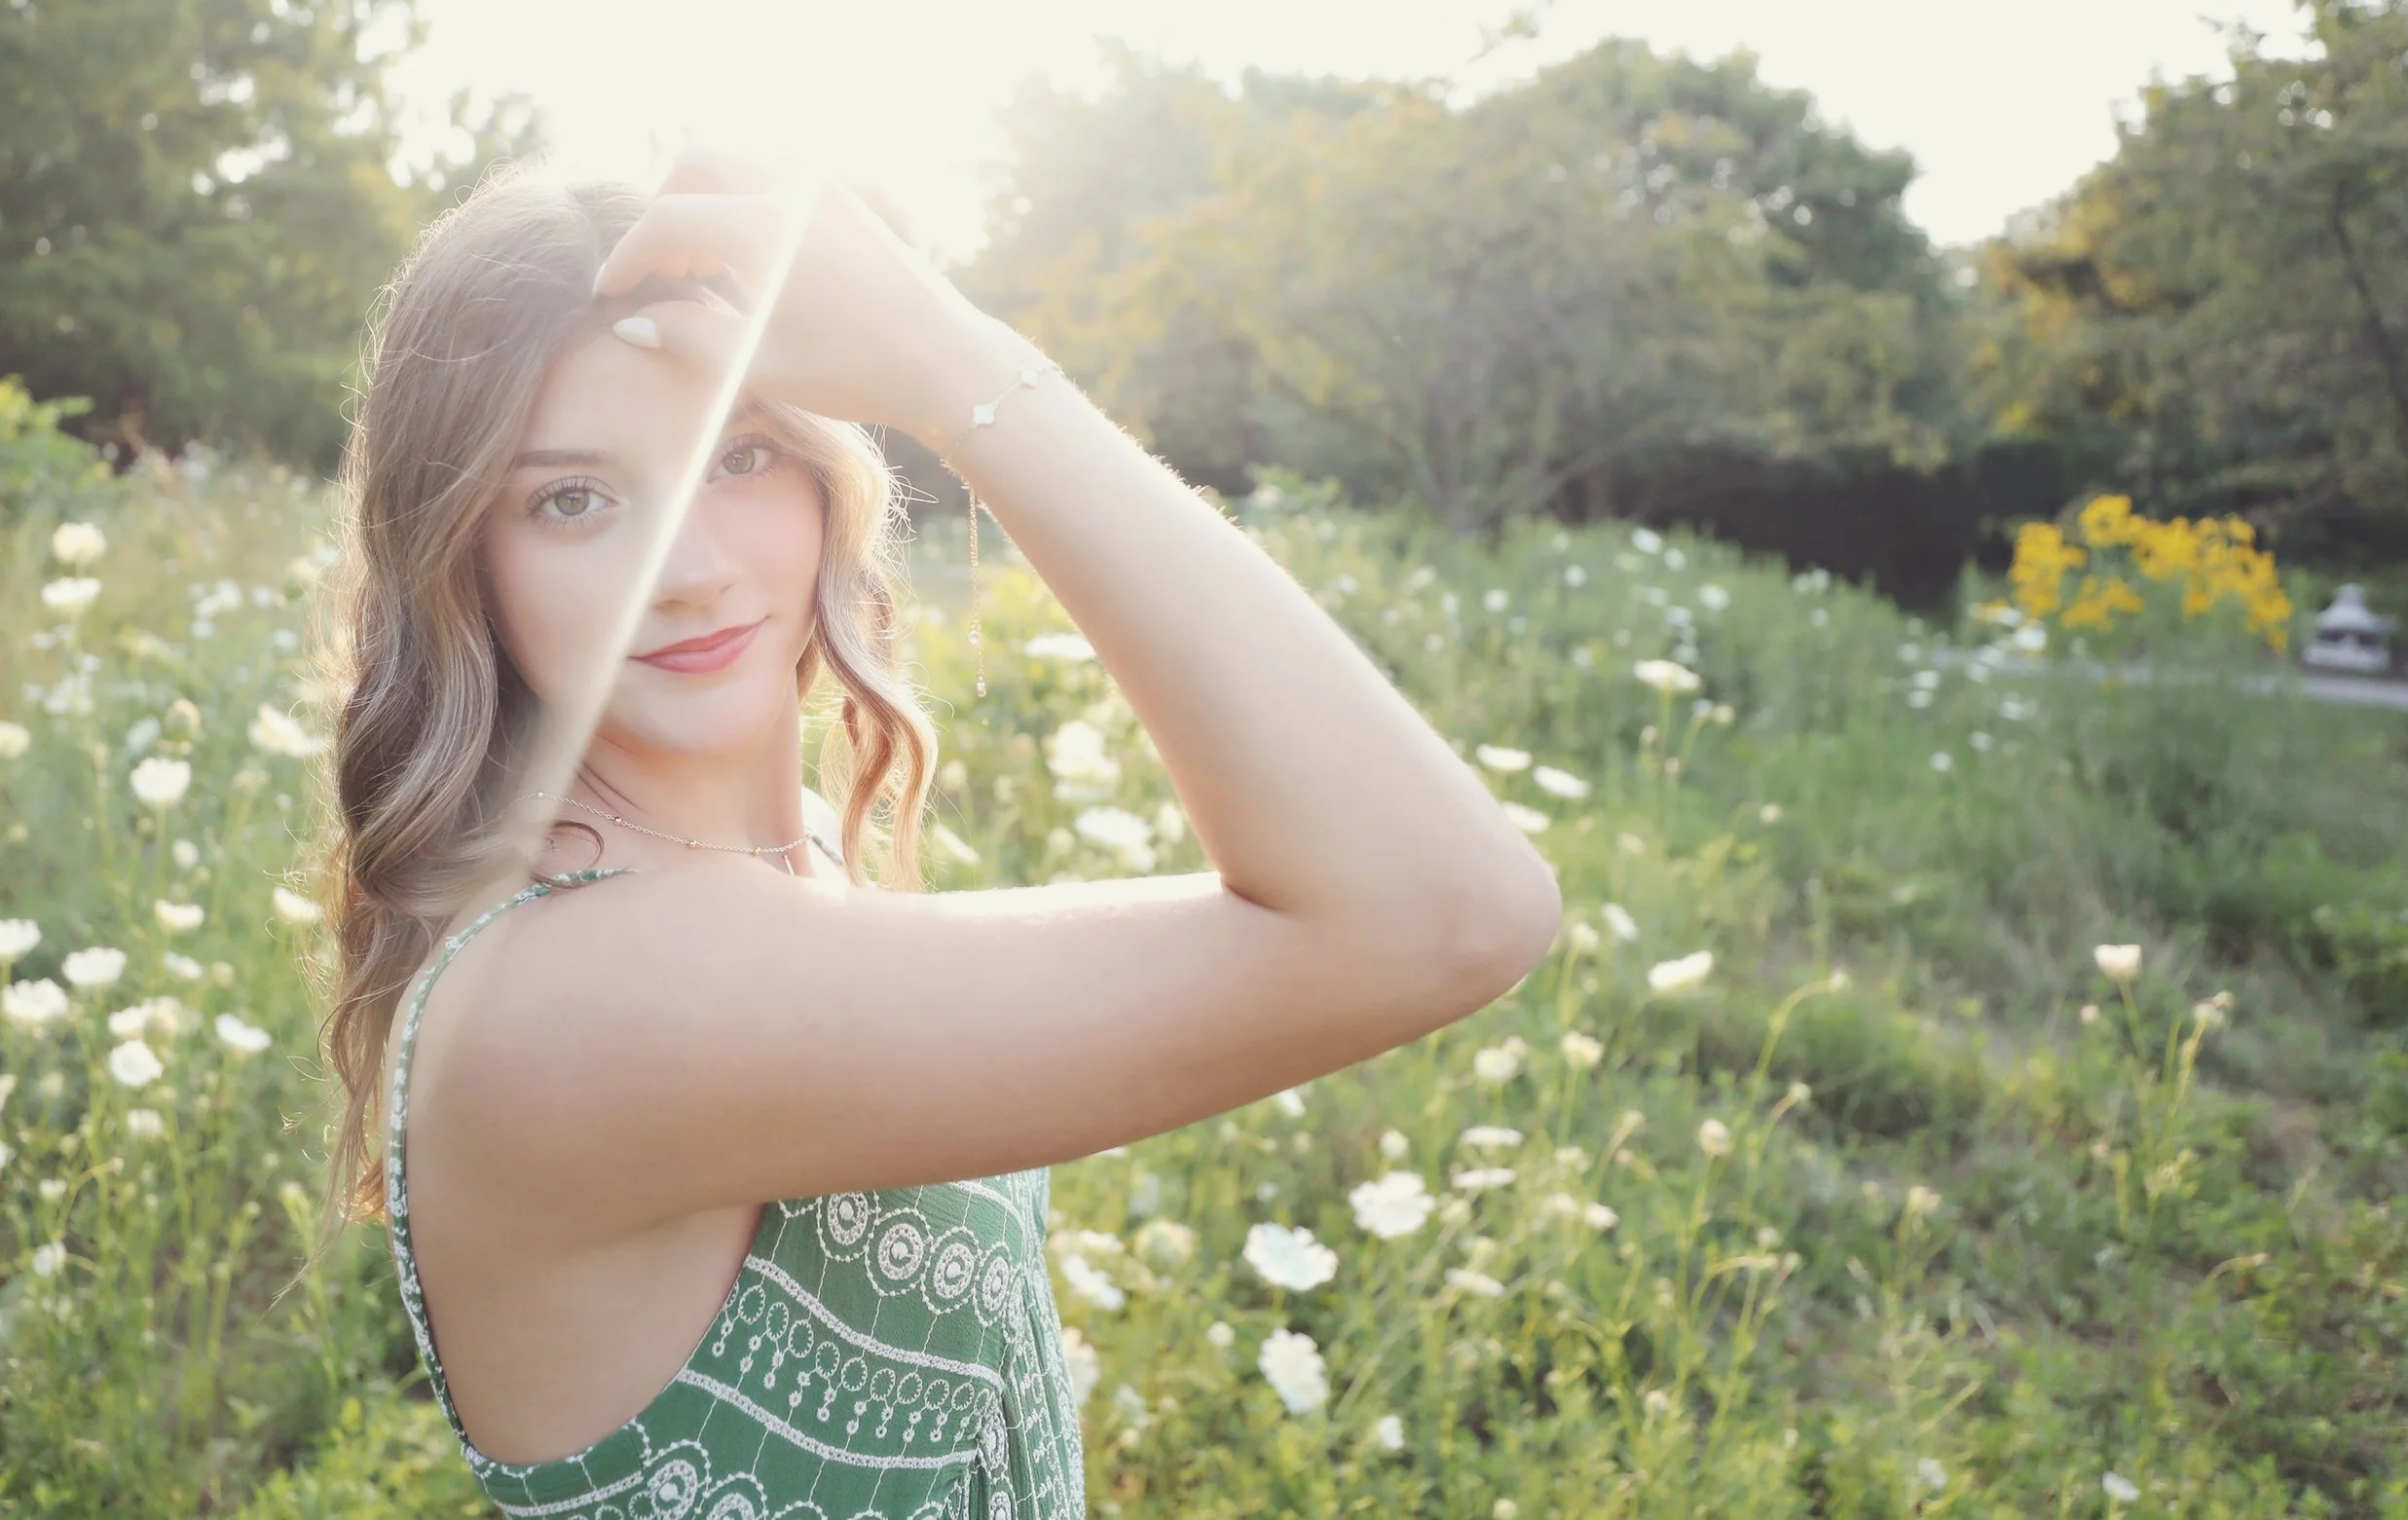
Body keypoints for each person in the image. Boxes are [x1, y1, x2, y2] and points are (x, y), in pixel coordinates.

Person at [305, 146, 1562, 1518]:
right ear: (459, 558)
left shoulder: (755, 884)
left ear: (825, 474)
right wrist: (960, 363)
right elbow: (1451, 909)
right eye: (573, 498)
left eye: (740, 452)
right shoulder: (595, 993)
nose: (693, 569)